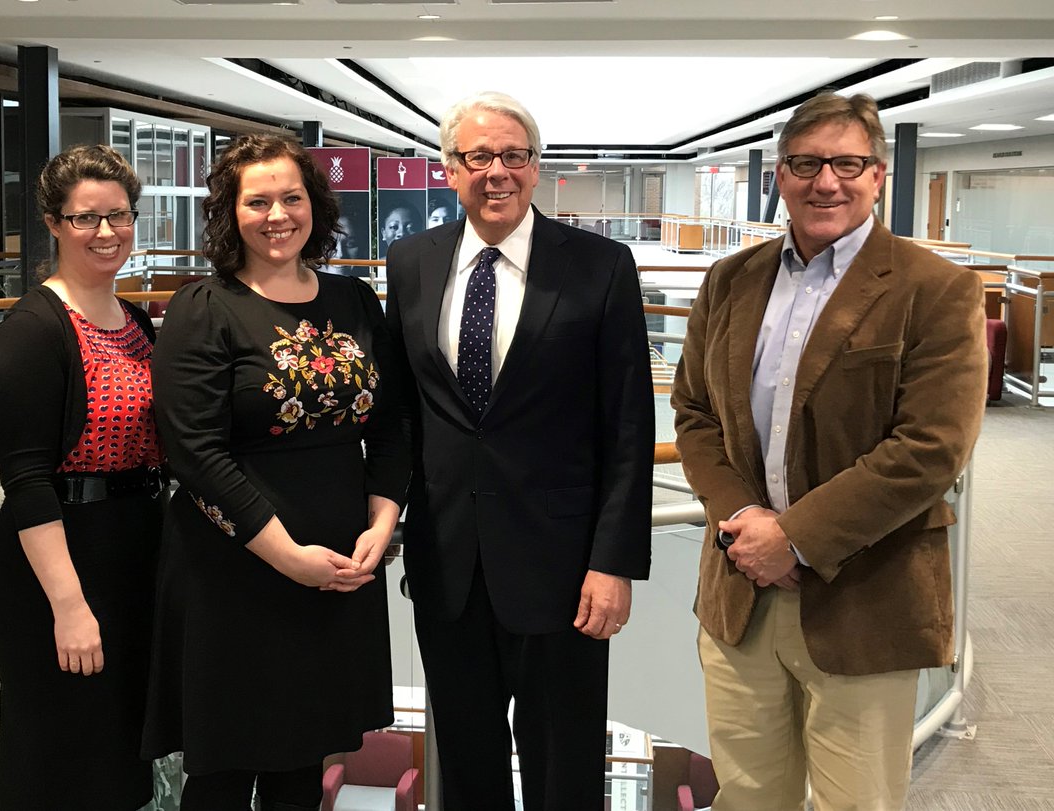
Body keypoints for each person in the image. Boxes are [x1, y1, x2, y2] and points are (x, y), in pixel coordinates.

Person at [671, 92, 987, 811]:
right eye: (806, 163)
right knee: (749, 795)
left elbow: (930, 448)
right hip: (740, 593)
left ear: (878, 175)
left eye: (847, 163)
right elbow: (693, 414)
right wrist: (746, 520)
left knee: (857, 801)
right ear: (779, 175)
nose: (827, 182)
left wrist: (796, 538)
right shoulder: (730, 281)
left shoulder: (933, 288)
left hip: (865, 598)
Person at [385, 91, 653, 811]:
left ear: (536, 169)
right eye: (479, 156)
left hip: (564, 570)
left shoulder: (599, 265)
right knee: (466, 766)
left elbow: (628, 425)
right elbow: (404, 413)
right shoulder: (410, 263)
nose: (496, 172)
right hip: (448, 566)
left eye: (513, 156)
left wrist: (614, 561)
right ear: (450, 169)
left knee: (563, 766)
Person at [142, 133, 410, 811]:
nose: (277, 214)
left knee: (304, 762)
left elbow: (389, 424)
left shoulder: (354, 301)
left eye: (291, 196)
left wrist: (384, 521)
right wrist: (288, 555)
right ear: (230, 213)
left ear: (314, 203)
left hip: (337, 564)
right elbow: (194, 451)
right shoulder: (202, 307)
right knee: (225, 770)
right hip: (235, 568)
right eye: (256, 200)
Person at [0, 144, 164, 811]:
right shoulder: (34, 328)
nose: (107, 232)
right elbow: (27, 481)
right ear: (54, 224)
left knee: (115, 757)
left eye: (119, 215)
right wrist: (69, 605)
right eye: (86, 218)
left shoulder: (138, 321)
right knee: (54, 755)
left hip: (129, 557)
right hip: (55, 573)